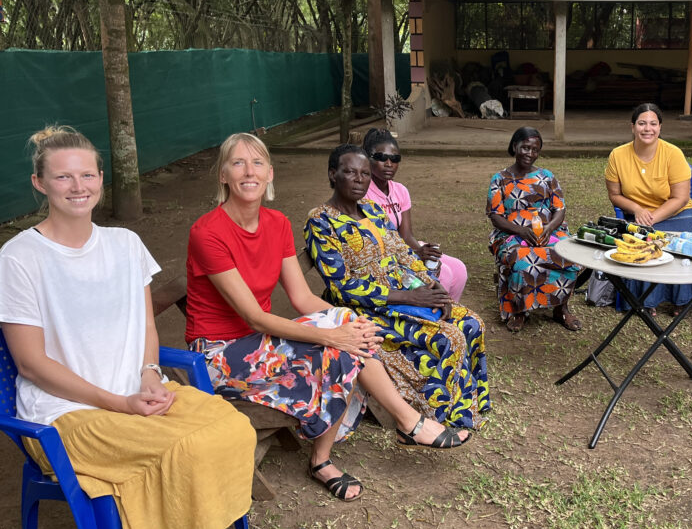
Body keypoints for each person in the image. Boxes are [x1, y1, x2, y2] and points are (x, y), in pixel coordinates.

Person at [0, 127, 259, 529]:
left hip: (137, 393)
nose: (78, 186)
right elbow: (30, 363)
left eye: (87, 174)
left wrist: (149, 375)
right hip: (65, 413)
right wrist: (115, 403)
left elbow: (144, 323)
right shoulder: (18, 259)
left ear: (101, 178)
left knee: (230, 427)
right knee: (172, 450)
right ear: (39, 183)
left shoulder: (124, 244)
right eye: (63, 176)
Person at [185, 133, 470, 503]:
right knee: (339, 345)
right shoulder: (208, 233)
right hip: (218, 354)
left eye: (257, 163)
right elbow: (254, 318)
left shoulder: (276, 224)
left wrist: (350, 322)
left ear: (270, 173)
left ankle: (377, 434)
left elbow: (302, 298)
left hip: (261, 344)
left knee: (349, 330)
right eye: (238, 163)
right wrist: (334, 336)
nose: (249, 172)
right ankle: (391, 428)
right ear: (223, 175)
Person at [304, 144, 490, 430]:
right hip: (365, 307)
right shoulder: (321, 221)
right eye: (349, 172)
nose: (359, 179)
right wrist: (410, 296)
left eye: (365, 173)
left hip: (407, 294)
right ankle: (435, 417)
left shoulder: (374, 210)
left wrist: (433, 288)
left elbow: (403, 255)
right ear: (333, 174)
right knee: (447, 336)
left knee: (472, 323)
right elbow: (341, 287)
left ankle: (467, 404)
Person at [605, 102, 692, 313]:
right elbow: (614, 195)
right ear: (632, 127)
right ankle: (644, 300)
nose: (647, 129)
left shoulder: (673, 153)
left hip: (677, 212)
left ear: (660, 127)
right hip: (639, 214)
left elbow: (680, 198)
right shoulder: (617, 155)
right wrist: (637, 209)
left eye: (653, 123)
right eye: (642, 123)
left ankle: (682, 300)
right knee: (640, 239)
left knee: (678, 238)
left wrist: (653, 217)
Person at [487, 126, 582, 333]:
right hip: (511, 233)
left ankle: (561, 307)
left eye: (535, 150)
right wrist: (520, 231)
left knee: (570, 256)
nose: (530, 154)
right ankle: (520, 310)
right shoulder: (500, 179)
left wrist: (548, 228)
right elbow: (495, 216)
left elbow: (560, 209)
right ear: (515, 146)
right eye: (525, 148)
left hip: (550, 230)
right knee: (521, 260)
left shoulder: (547, 177)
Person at [361, 128, 469, 302]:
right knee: (445, 273)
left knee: (459, 269)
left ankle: (451, 311)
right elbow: (377, 244)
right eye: (382, 158)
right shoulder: (363, 193)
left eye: (395, 159)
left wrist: (420, 250)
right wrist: (415, 254)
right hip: (385, 255)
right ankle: (436, 316)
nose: (389, 163)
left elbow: (406, 234)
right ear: (368, 158)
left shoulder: (400, 190)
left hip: (406, 247)